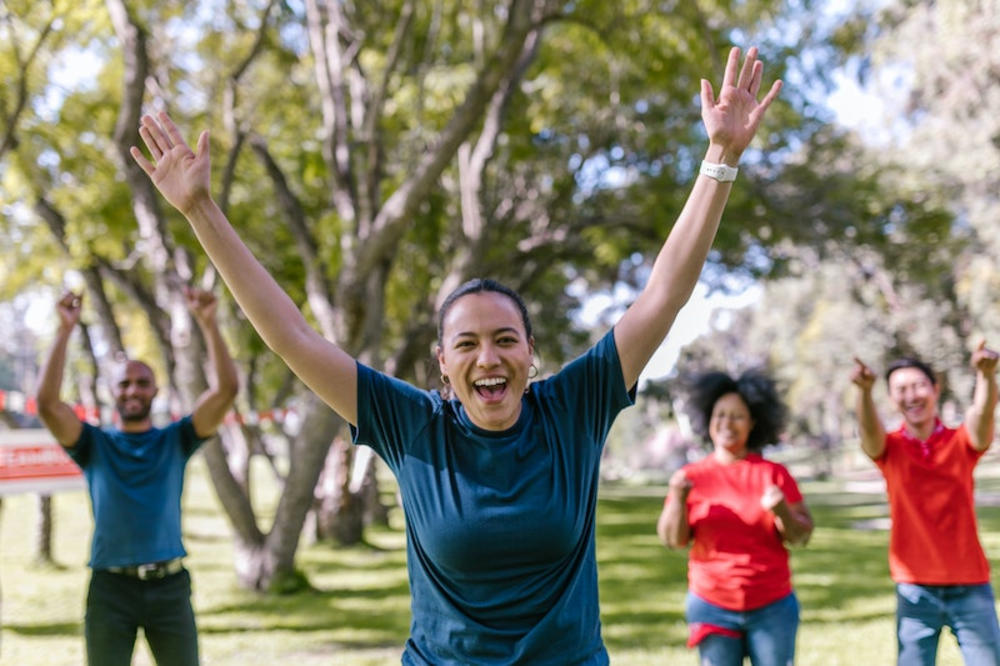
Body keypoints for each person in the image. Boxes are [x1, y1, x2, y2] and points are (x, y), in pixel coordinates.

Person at [130, 45, 781, 665]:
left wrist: (719, 159)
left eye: (504, 339)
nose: (487, 358)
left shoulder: (573, 409)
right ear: (442, 362)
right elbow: (291, 338)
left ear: (531, 352)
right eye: (465, 344)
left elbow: (662, 297)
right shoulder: (412, 425)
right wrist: (200, 211)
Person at [35, 287, 239, 666]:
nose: (133, 389)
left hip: (169, 587)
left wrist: (209, 325)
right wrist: (64, 330)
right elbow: (47, 405)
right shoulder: (93, 444)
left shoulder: (175, 439)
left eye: (142, 382)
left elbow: (226, 390)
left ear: (155, 391)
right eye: (125, 383)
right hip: (110, 588)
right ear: (112, 391)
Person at [851, 347, 1000, 666]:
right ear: (892, 400)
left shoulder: (961, 442)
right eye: (900, 390)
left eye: (918, 386)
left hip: (970, 584)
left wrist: (986, 375)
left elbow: (983, 414)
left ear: (935, 389)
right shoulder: (889, 448)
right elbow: (868, 432)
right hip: (915, 589)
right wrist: (864, 392)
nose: (911, 396)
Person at [656, 370, 814, 665]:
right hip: (711, 604)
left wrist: (781, 511)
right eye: (720, 415)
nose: (727, 423)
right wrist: (677, 498)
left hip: (772, 605)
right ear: (708, 419)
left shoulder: (773, 474)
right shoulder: (690, 477)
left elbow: (802, 536)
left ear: (753, 422)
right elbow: (672, 540)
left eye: (738, 416)